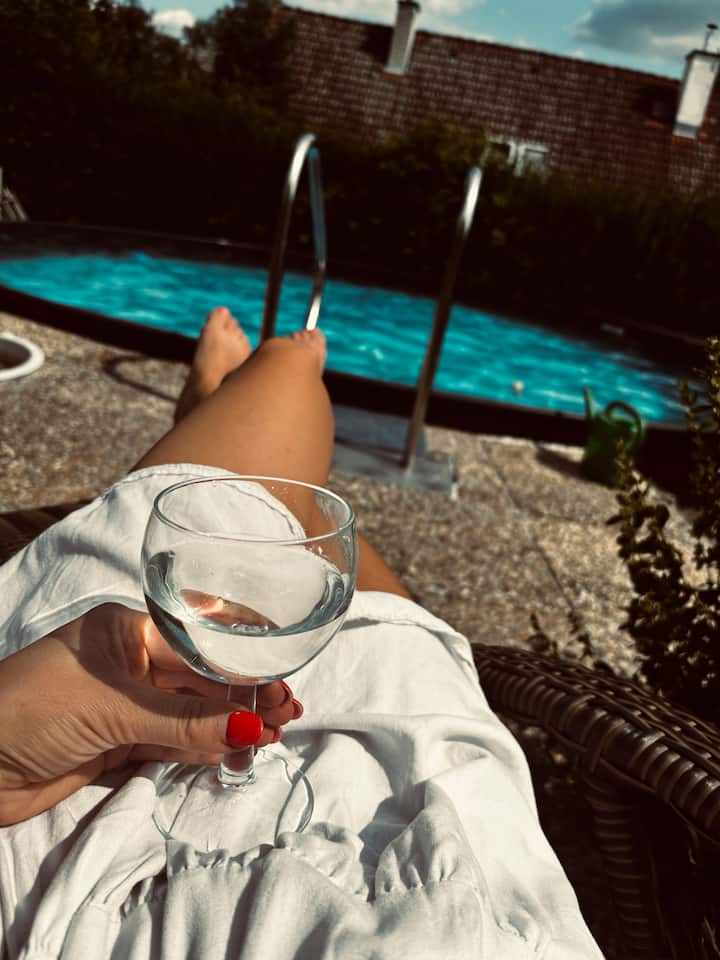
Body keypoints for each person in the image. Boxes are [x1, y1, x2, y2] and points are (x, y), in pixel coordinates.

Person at [0, 309, 603, 958]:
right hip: (439, 802)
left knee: (289, 372)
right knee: (318, 524)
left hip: (84, 875)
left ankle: (221, 411)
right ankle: (238, 432)